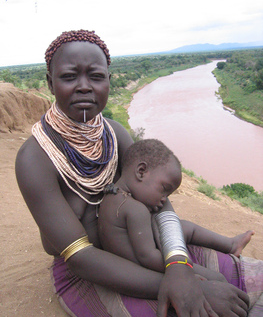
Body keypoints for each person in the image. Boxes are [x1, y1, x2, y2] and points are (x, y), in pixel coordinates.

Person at [14, 29, 260, 317]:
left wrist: (179, 264)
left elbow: (159, 198)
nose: (84, 87)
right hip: (88, 272)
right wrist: (183, 286)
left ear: (108, 79)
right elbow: (80, 258)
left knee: (243, 279)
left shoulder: (114, 134)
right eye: (69, 77)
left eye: (96, 76)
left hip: (140, 244)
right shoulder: (35, 158)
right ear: (50, 83)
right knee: (198, 306)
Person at [98, 138, 254, 283]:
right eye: (164, 189)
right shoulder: (135, 210)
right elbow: (148, 257)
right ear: (141, 171)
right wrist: (190, 270)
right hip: (141, 270)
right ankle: (227, 251)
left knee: (184, 226)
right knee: (217, 278)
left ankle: (230, 244)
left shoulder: (111, 195)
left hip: (130, 254)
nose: (165, 199)